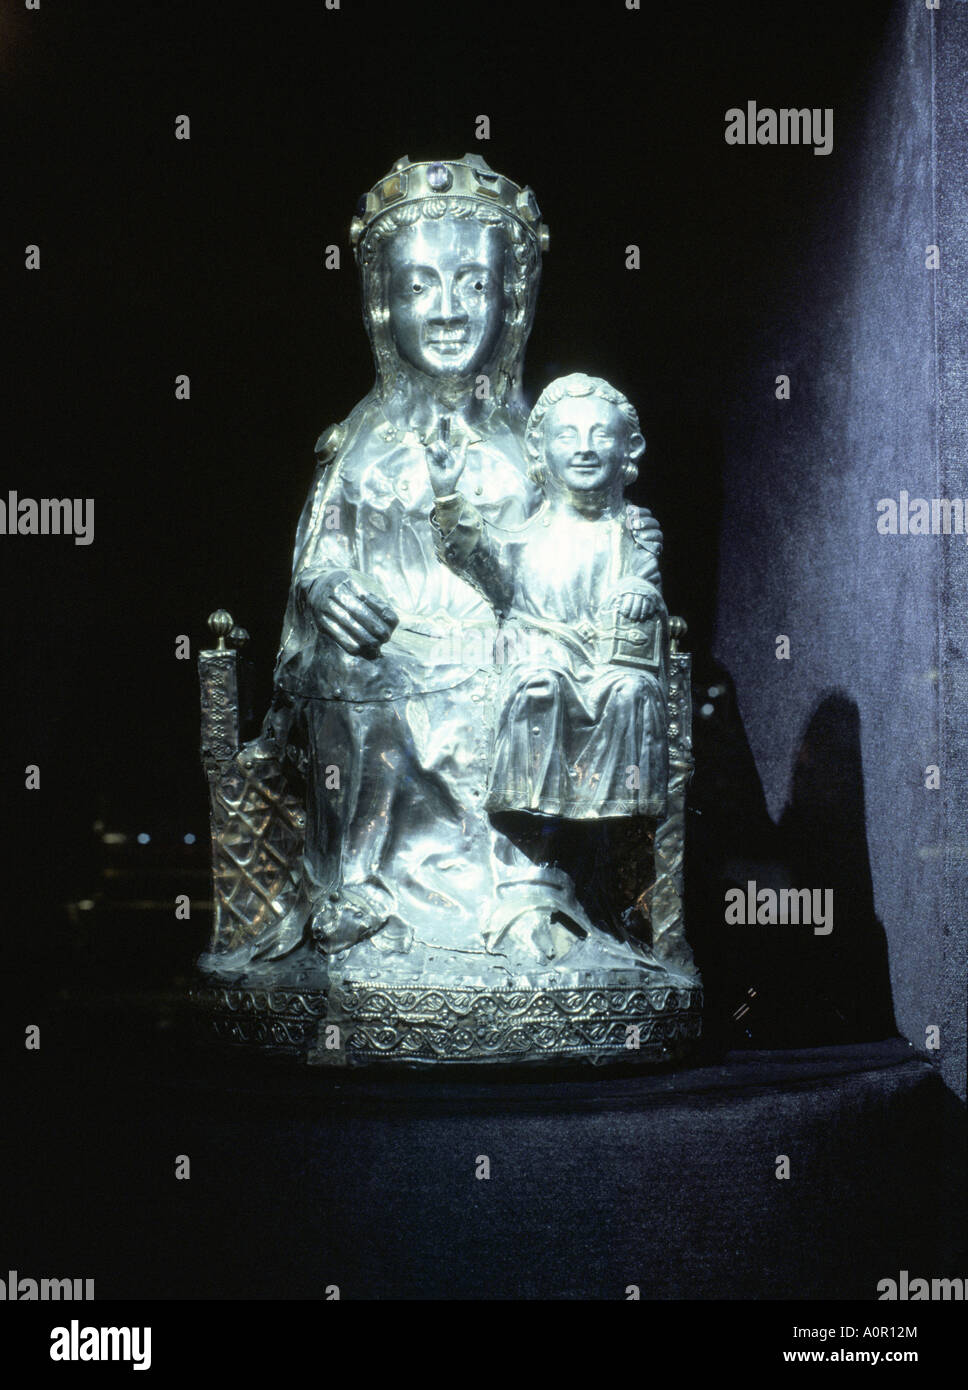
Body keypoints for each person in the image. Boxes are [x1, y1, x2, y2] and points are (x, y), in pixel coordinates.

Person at [427, 372, 669, 825]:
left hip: (608, 659)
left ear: (629, 448)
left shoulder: (634, 531)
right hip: (540, 651)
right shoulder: (525, 537)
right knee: (539, 681)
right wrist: (447, 495)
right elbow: (476, 557)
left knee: (632, 691)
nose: (584, 447)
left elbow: (644, 578)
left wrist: (640, 591)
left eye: (600, 434)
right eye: (568, 435)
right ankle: (528, 809)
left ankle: (619, 816)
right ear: (538, 449)